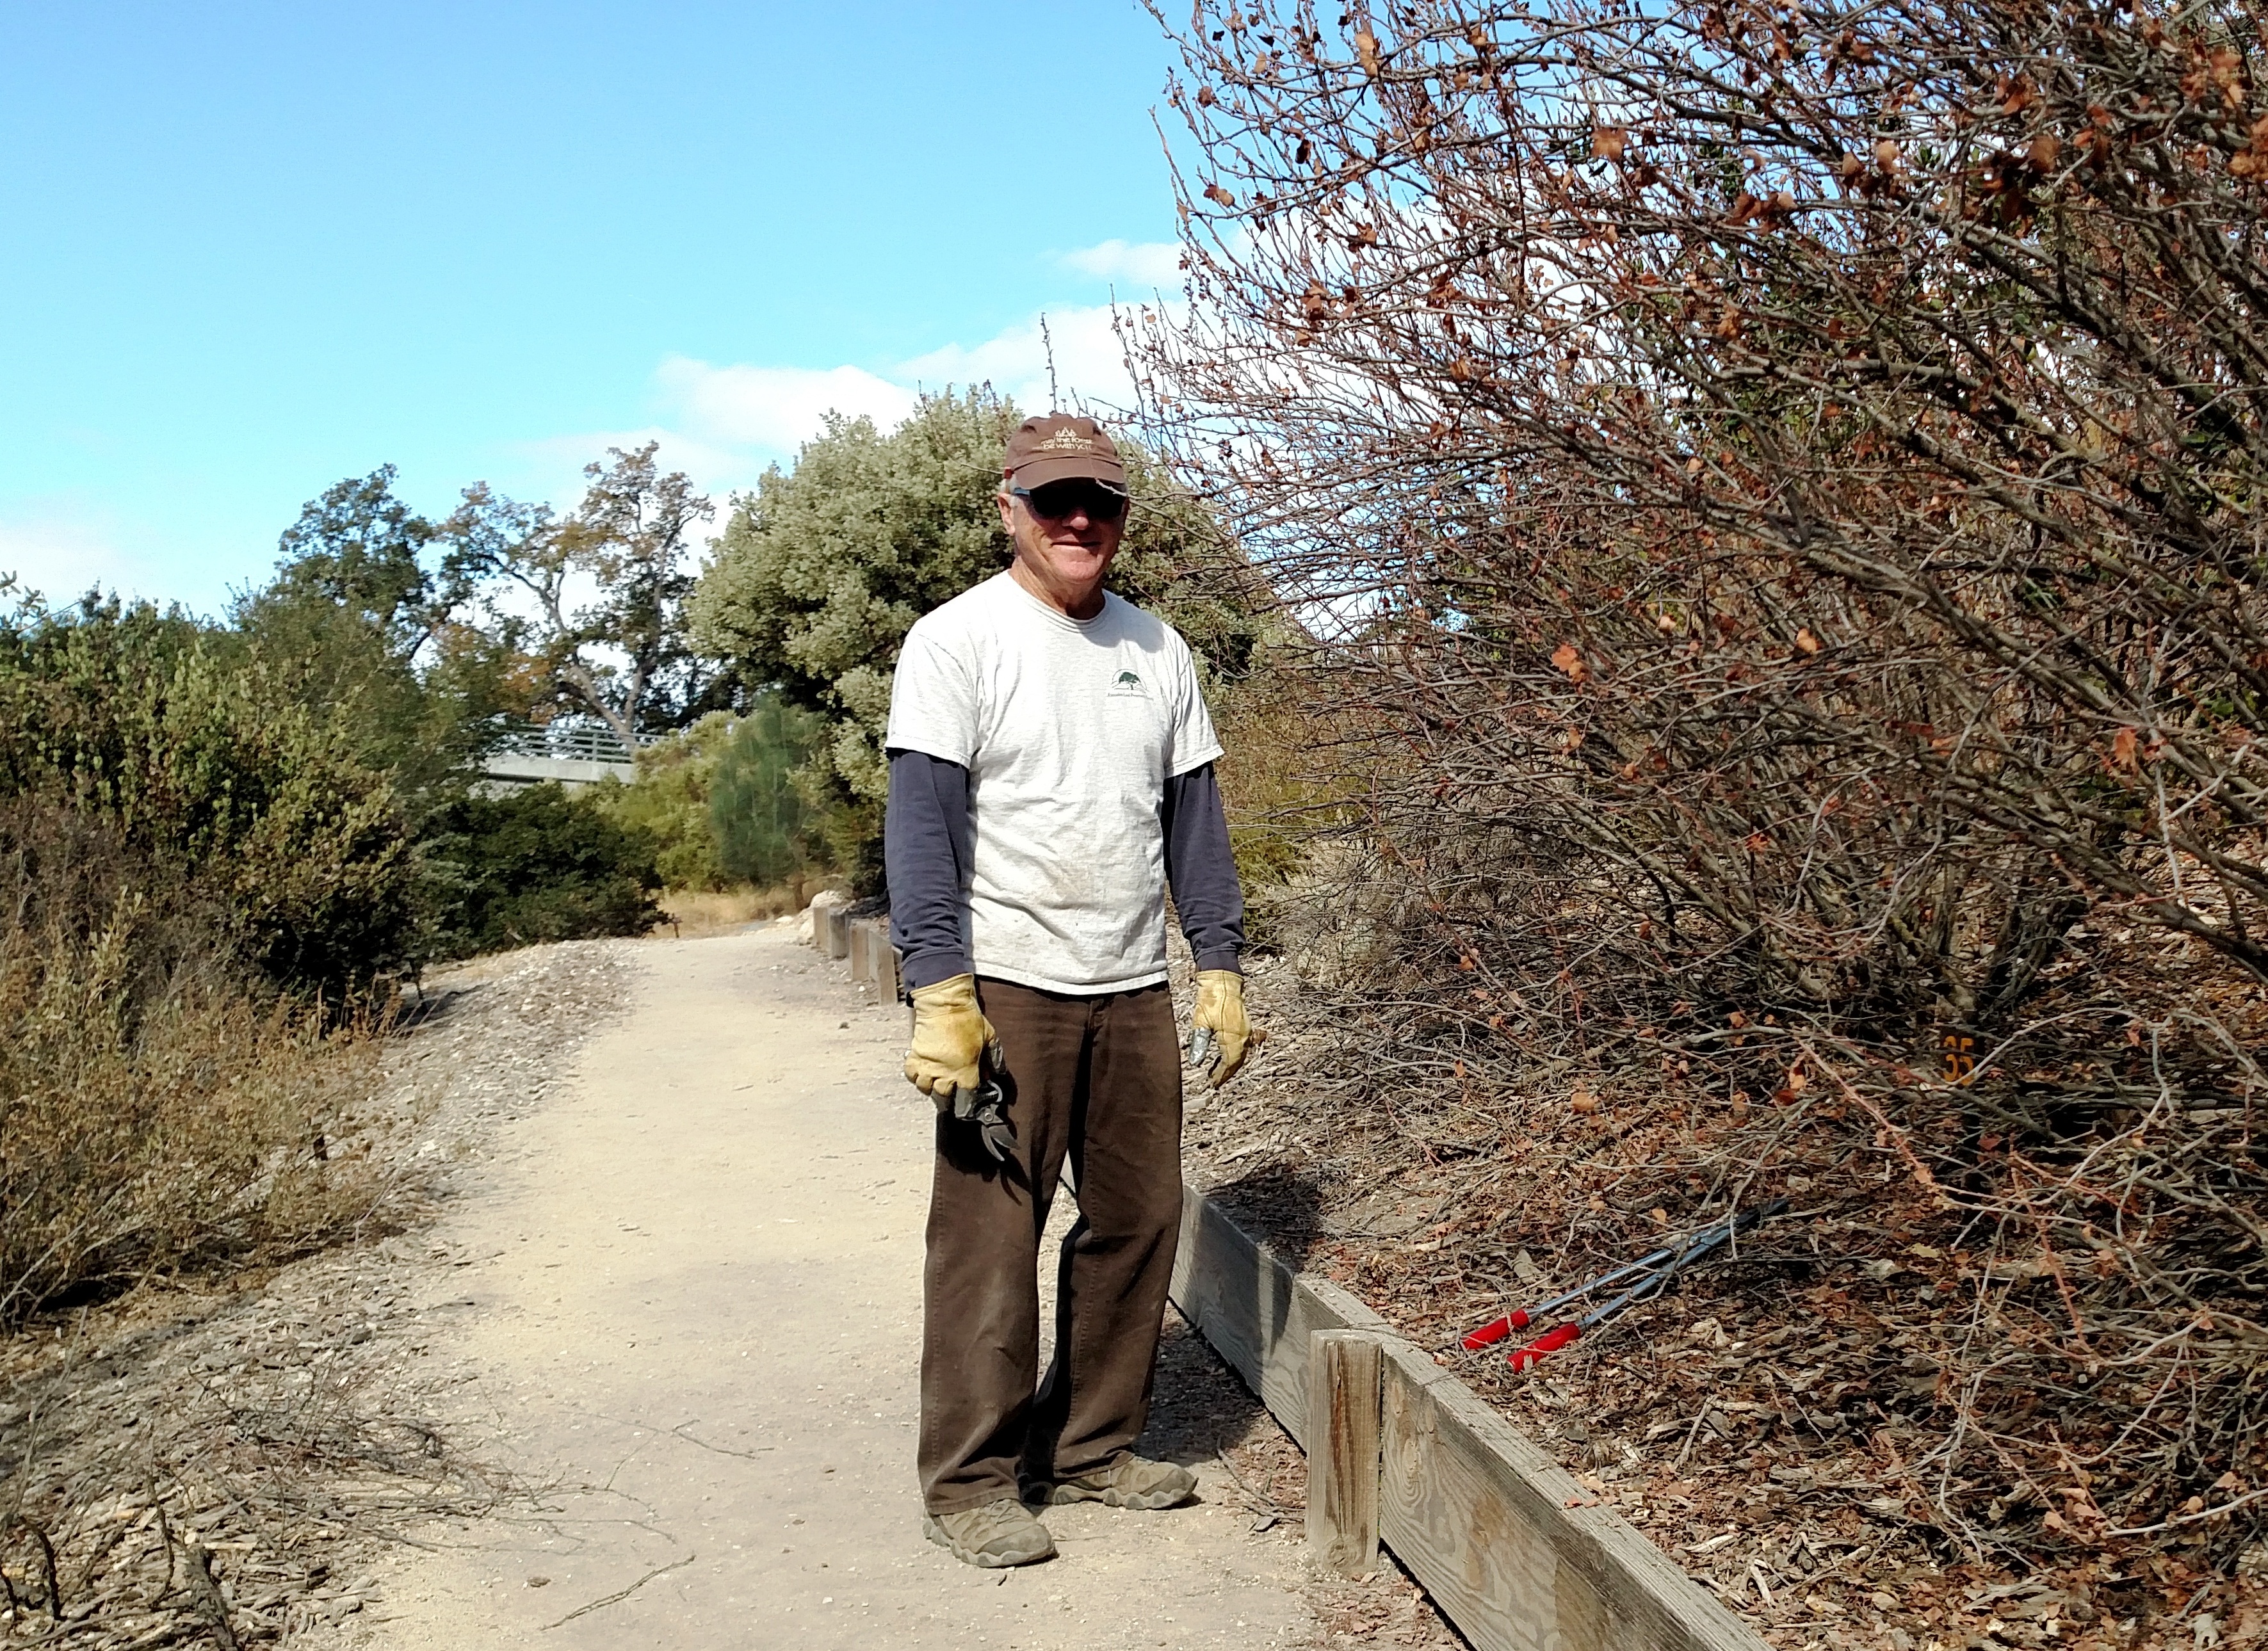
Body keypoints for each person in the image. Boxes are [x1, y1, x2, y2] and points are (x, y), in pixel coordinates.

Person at [881, 412, 1253, 1569]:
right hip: (1007, 989)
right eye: (1053, 501)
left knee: (1139, 1221)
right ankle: (972, 1481)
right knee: (989, 1240)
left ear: (1122, 515)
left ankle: (1087, 1448)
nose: (1077, 519)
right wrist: (938, 986)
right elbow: (921, 828)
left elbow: (1192, 820)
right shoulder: (957, 642)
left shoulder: (1159, 649)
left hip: (1132, 981)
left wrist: (1222, 961)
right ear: (1011, 511)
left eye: (1097, 499)